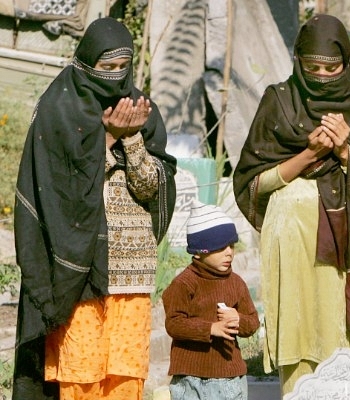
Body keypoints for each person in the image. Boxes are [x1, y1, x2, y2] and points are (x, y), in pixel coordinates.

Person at [233, 14, 350, 395]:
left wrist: (344, 152)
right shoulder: (280, 101)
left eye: (331, 68)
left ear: (346, 63)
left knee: (335, 332)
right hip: (289, 240)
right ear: (297, 62)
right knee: (296, 334)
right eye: (311, 68)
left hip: (341, 248)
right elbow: (253, 182)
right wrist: (309, 154)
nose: (322, 76)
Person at [12, 17, 177, 399]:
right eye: (107, 69)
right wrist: (107, 138)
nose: (116, 77)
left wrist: (132, 137)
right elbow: (58, 188)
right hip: (77, 273)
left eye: (123, 67)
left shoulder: (140, 109)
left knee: (124, 378)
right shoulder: (59, 108)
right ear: (86, 63)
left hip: (129, 268)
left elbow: (152, 188)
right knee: (81, 376)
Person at [162, 201, 260, 400]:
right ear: (200, 252)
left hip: (229, 375)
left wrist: (238, 318)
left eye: (231, 246)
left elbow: (253, 322)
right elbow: (174, 323)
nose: (229, 252)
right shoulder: (184, 283)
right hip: (192, 378)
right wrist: (210, 329)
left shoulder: (236, 283)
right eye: (220, 247)